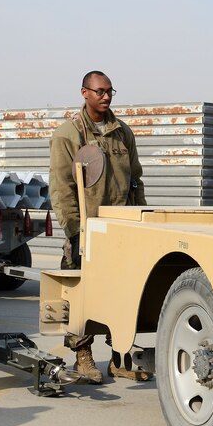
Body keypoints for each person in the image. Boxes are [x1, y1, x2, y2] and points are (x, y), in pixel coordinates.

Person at [49, 70, 152, 383]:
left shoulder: (123, 133)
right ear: (84, 93)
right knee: (81, 296)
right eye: (99, 91)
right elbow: (61, 186)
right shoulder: (69, 134)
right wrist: (73, 230)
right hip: (86, 231)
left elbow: (135, 179)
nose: (106, 97)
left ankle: (118, 359)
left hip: (120, 231)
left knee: (120, 296)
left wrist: (141, 221)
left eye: (110, 91)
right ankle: (83, 357)